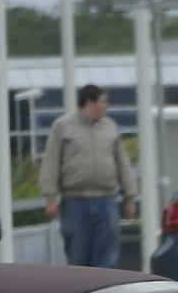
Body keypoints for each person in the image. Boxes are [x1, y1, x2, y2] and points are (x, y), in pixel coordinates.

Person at [47, 84, 133, 269]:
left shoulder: (110, 126)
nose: (106, 106)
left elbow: (122, 163)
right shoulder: (62, 127)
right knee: (78, 259)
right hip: (75, 203)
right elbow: (51, 161)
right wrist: (50, 197)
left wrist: (130, 196)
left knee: (107, 259)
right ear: (89, 103)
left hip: (107, 202)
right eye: (103, 102)